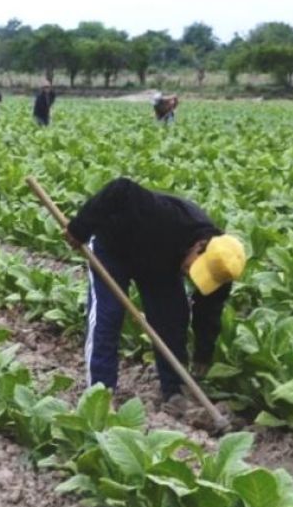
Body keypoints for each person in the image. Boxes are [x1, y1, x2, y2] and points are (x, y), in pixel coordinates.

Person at [64, 177, 246, 424]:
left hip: (160, 262)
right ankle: (99, 395)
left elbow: (208, 311)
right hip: (114, 246)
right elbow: (121, 188)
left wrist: (203, 353)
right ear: (200, 246)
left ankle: (174, 391)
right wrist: (80, 227)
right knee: (109, 315)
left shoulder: (221, 267)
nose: (191, 275)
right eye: (195, 268)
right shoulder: (163, 217)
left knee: (173, 318)